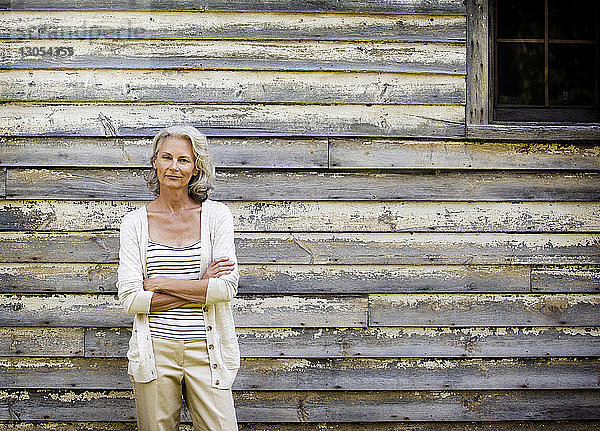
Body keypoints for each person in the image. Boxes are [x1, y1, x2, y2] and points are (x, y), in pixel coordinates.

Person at [116, 125, 240, 430]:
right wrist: (200, 285)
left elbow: (225, 288)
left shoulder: (216, 216)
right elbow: (132, 299)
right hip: (154, 349)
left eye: (183, 160)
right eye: (166, 157)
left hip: (207, 346)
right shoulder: (134, 223)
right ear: (155, 162)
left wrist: (163, 283)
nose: (174, 166)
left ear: (196, 167)